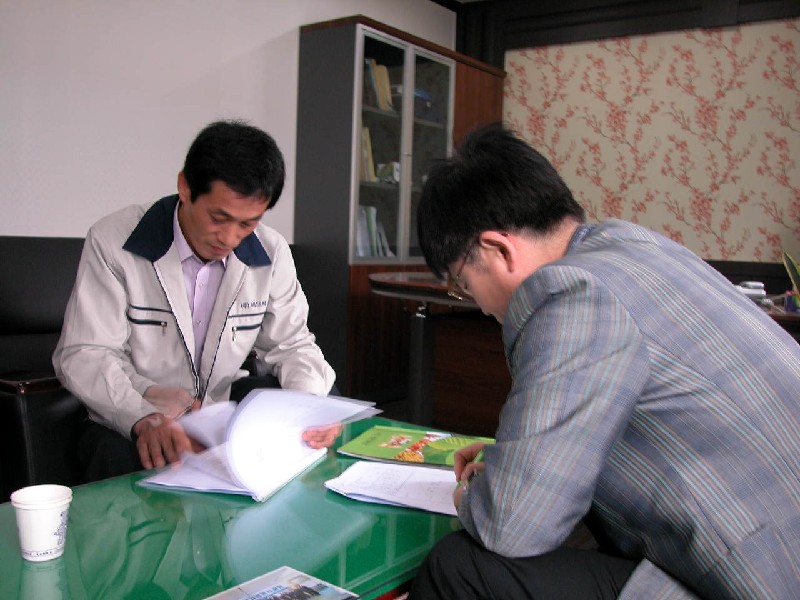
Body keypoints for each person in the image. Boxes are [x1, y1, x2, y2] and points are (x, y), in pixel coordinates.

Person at [408, 125, 800, 599]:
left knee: (460, 567)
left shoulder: (569, 291)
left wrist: (473, 495)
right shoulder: (633, 245)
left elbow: (513, 524)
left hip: (762, 580)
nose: (480, 306)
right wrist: (511, 462)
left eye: (464, 284)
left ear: (498, 250)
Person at [54, 120, 338, 482]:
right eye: (219, 218)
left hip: (218, 414)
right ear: (185, 187)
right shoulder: (114, 241)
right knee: (120, 452)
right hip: (136, 410)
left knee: (317, 401)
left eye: (247, 224)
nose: (230, 238)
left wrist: (308, 408)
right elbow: (87, 352)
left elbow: (293, 344)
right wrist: (143, 417)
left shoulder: (271, 251)